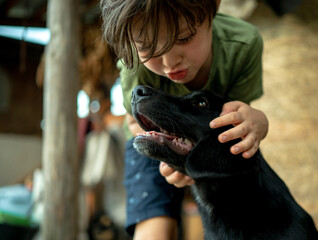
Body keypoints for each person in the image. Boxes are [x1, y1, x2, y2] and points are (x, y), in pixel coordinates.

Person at [100, 0, 269, 239]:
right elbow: (135, 122)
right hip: (151, 140)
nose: (169, 62)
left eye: (184, 38)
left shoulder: (243, 45)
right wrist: (166, 151)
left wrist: (259, 122)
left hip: (209, 142)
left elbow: (233, 121)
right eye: (148, 47)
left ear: (215, 5)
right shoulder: (135, 64)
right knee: (154, 226)